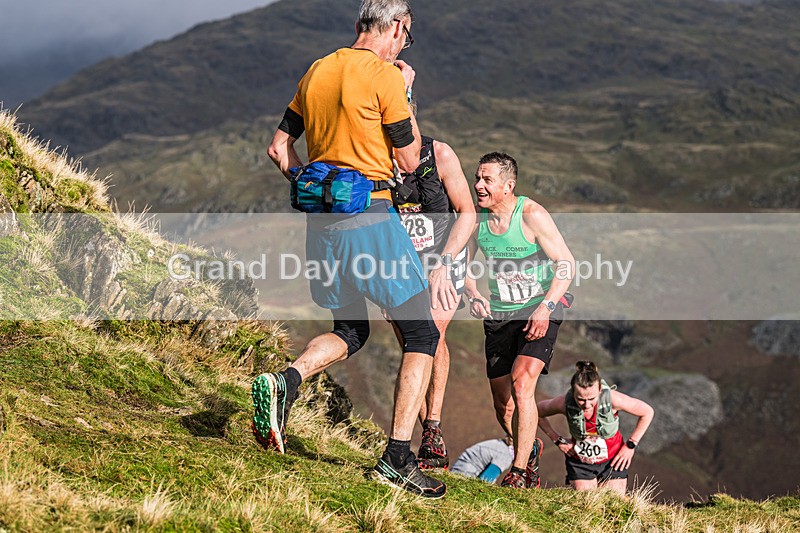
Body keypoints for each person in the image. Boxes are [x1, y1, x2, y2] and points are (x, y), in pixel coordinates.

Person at [257, 0, 446, 499]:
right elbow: (410, 159)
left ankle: (286, 382)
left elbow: (278, 148)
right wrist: (407, 93)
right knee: (422, 332)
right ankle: (398, 459)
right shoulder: (385, 77)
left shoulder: (317, 70)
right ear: (397, 28)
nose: (405, 45)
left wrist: (316, 184)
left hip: (321, 223)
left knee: (350, 329)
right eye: (407, 36)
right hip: (371, 218)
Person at [464, 152, 575, 489]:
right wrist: (473, 293)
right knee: (503, 404)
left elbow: (566, 264)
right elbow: (463, 265)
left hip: (540, 307)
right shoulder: (477, 219)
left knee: (522, 382)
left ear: (508, 185)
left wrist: (546, 308)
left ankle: (519, 470)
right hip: (500, 313)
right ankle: (529, 447)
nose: (478, 185)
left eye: (487, 180)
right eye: (478, 178)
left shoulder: (531, 215)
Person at [389, 128, 476, 470]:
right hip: (403, 264)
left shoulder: (440, 154)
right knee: (412, 345)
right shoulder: (377, 156)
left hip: (446, 256)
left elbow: (467, 212)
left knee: (433, 334)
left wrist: (445, 263)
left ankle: (433, 426)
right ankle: (428, 438)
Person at [537, 361, 655, 496]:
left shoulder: (613, 399)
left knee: (613, 503)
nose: (587, 405)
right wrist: (557, 440)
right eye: (580, 399)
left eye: (592, 399)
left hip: (613, 460)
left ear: (599, 391)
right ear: (573, 392)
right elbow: (537, 412)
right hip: (580, 462)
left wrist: (630, 445)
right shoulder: (564, 403)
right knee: (587, 502)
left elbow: (647, 412)